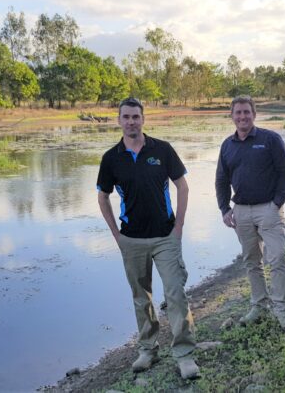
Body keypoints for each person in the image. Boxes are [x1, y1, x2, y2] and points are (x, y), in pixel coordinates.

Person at [96, 97, 200, 380]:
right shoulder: (111, 158)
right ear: (118, 120)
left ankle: (184, 353)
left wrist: (178, 227)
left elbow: (183, 186)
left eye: (135, 117)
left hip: (166, 236)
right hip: (131, 239)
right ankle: (148, 349)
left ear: (143, 119)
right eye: (126, 117)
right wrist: (116, 235)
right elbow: (102, 196)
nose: (131, 121)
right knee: (142, 298)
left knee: (175, 293)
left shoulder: (162, 150)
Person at [215, 96, 285, 330]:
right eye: (238, 113)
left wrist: (277, 203)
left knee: (278, 257)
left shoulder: (270, 139)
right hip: (240, 211)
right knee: (252, 261)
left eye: (246, 112)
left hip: (269, 209)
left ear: (254, 114)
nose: (242, 117)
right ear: (231, 116)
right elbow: (221, 180)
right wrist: (224, 209)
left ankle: (282, 310)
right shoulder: (227, 145)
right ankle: (259, 306)